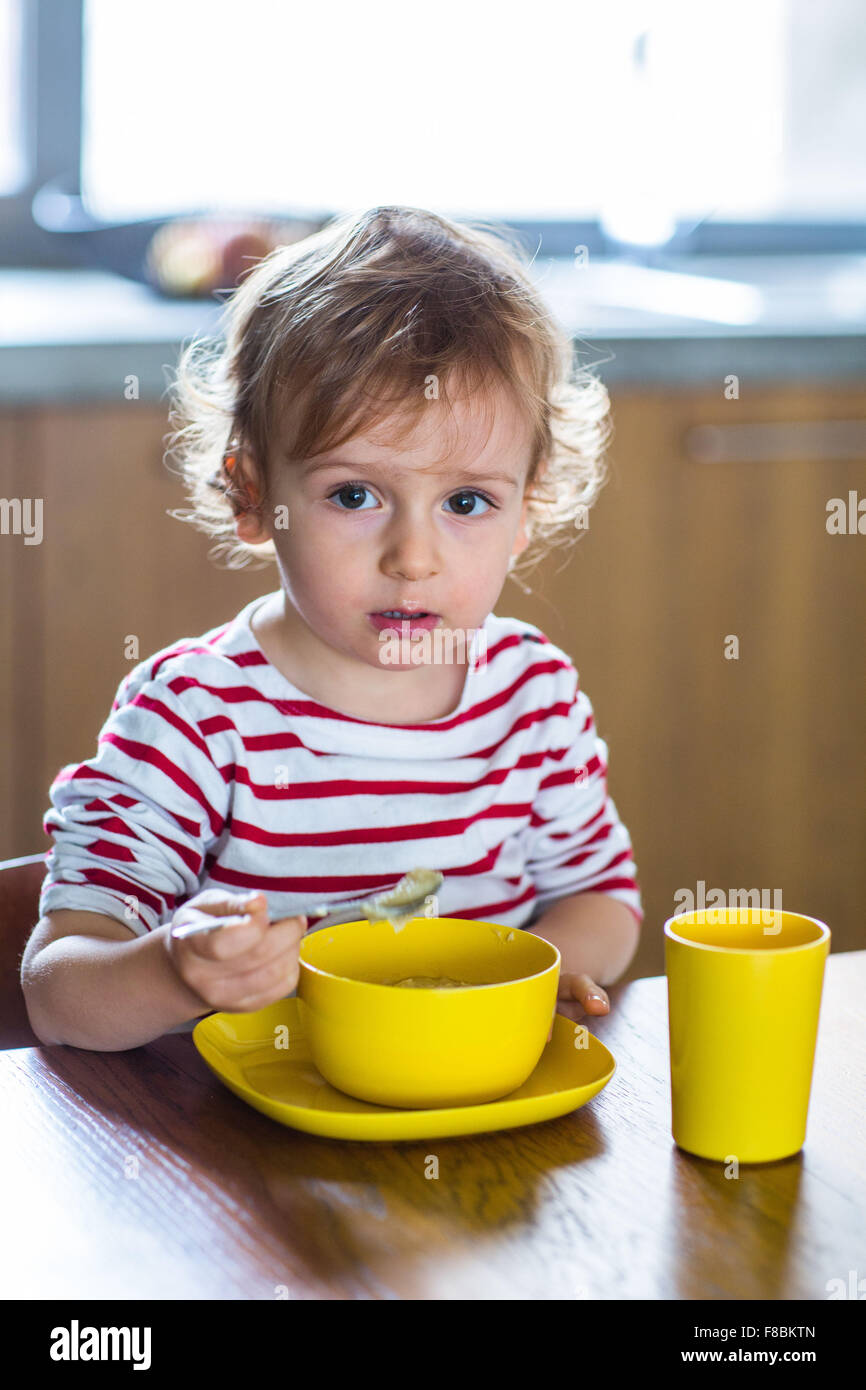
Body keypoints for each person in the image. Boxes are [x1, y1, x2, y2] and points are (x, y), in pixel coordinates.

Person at [21, 205, 643, 1053]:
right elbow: (59, 992)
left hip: (475, 1128)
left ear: (526, 508)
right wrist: (173, 971)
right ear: (251, 494)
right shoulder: (196, 715)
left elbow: (602, 898)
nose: (413, 558)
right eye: (355, 495)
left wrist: (530, 978)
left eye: (468, 502)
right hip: (249, 1157)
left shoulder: (532, 694)